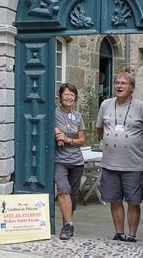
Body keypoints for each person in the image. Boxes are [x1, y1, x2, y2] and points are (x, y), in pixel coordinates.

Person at [96, 72, 143, 242]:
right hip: (110, 163)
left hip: (133, 164)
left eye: (124, 83)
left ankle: (132, 235)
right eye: (117, 83)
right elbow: (99, 129)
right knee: (115, 200)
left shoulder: (142, 108)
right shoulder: (105, 104)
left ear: (132, 88)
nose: (119, 86)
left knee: (134, 201)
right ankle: (119, 233)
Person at [54, 83, 86, 240]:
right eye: (65, 94)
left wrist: (67, 139)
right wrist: (55, 131)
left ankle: (67, 223)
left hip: (77, 162)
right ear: (60, 97)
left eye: (72, 95)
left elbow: (82, 140)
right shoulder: (54, 114)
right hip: (60, 160)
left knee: (72, 197)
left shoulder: (78, 116)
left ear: (75, 98)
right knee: (63, 189)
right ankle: (68, 225)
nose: (68, 97)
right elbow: (46, 124)